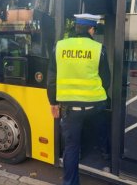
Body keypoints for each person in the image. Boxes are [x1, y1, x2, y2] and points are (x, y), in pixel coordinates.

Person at [47, 13, 110, 185]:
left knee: (71, 147)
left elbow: (51, 79)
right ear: (91, 29)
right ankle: (105, 153)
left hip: (69, 109)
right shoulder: (98, 48)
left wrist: (53, 103)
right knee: (102, 123)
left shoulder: (59, 47)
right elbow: (106, 80)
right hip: (94, 107)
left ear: (76, 28)